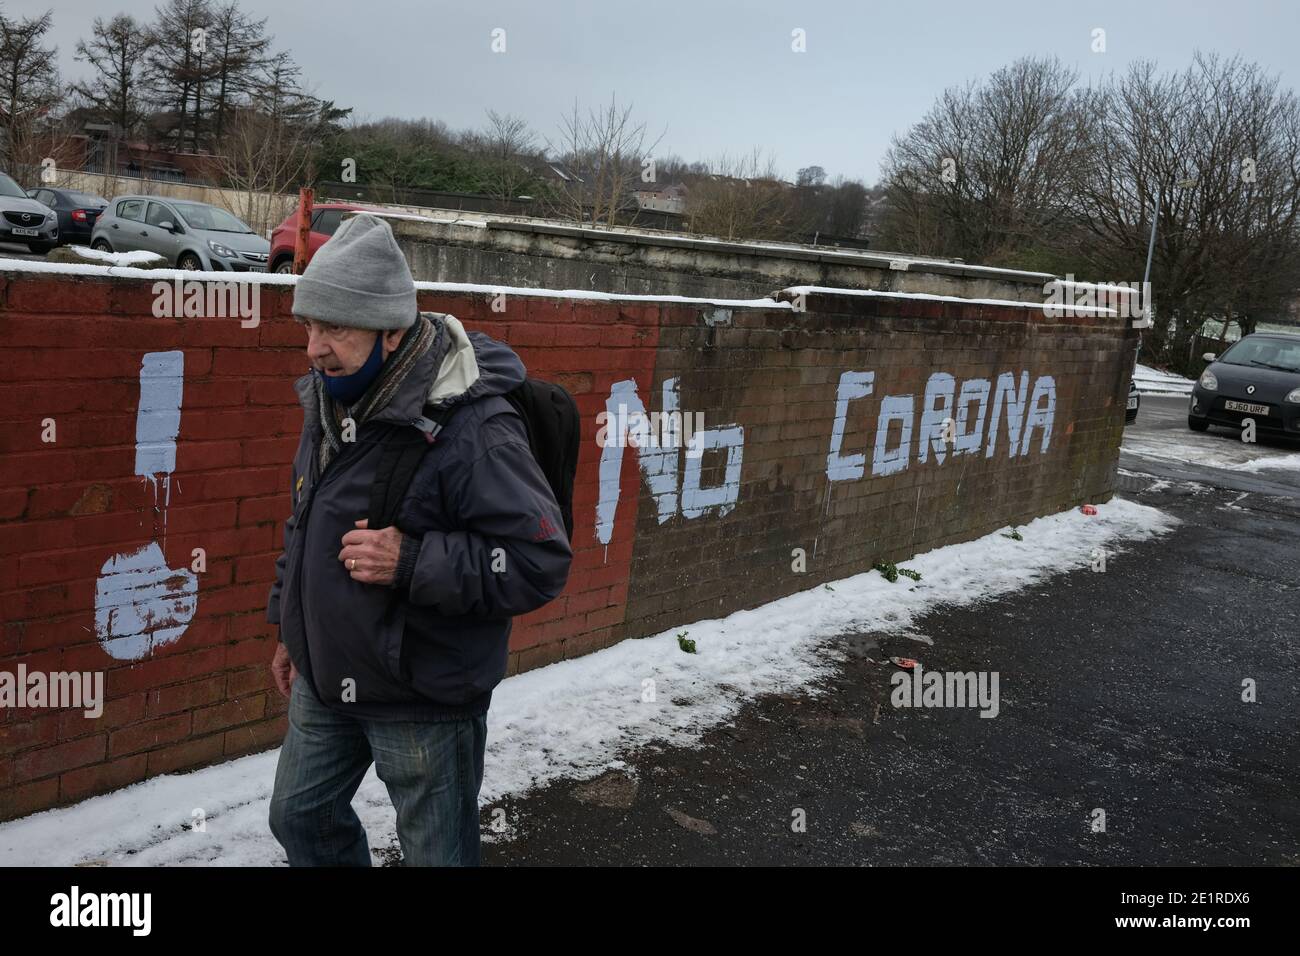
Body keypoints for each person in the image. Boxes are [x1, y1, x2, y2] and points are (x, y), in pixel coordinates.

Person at [265, 213, 571, 866]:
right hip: (328, 676)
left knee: (437, 854)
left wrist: (412, 561)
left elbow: (538, 559)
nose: (314, 349)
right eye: (309, 327)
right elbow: (306, 516)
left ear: (393, 330)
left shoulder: (474, 428)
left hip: (423, 695)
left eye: (335, 329)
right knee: (300, 817)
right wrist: (290, 627)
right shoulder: (329, 400)